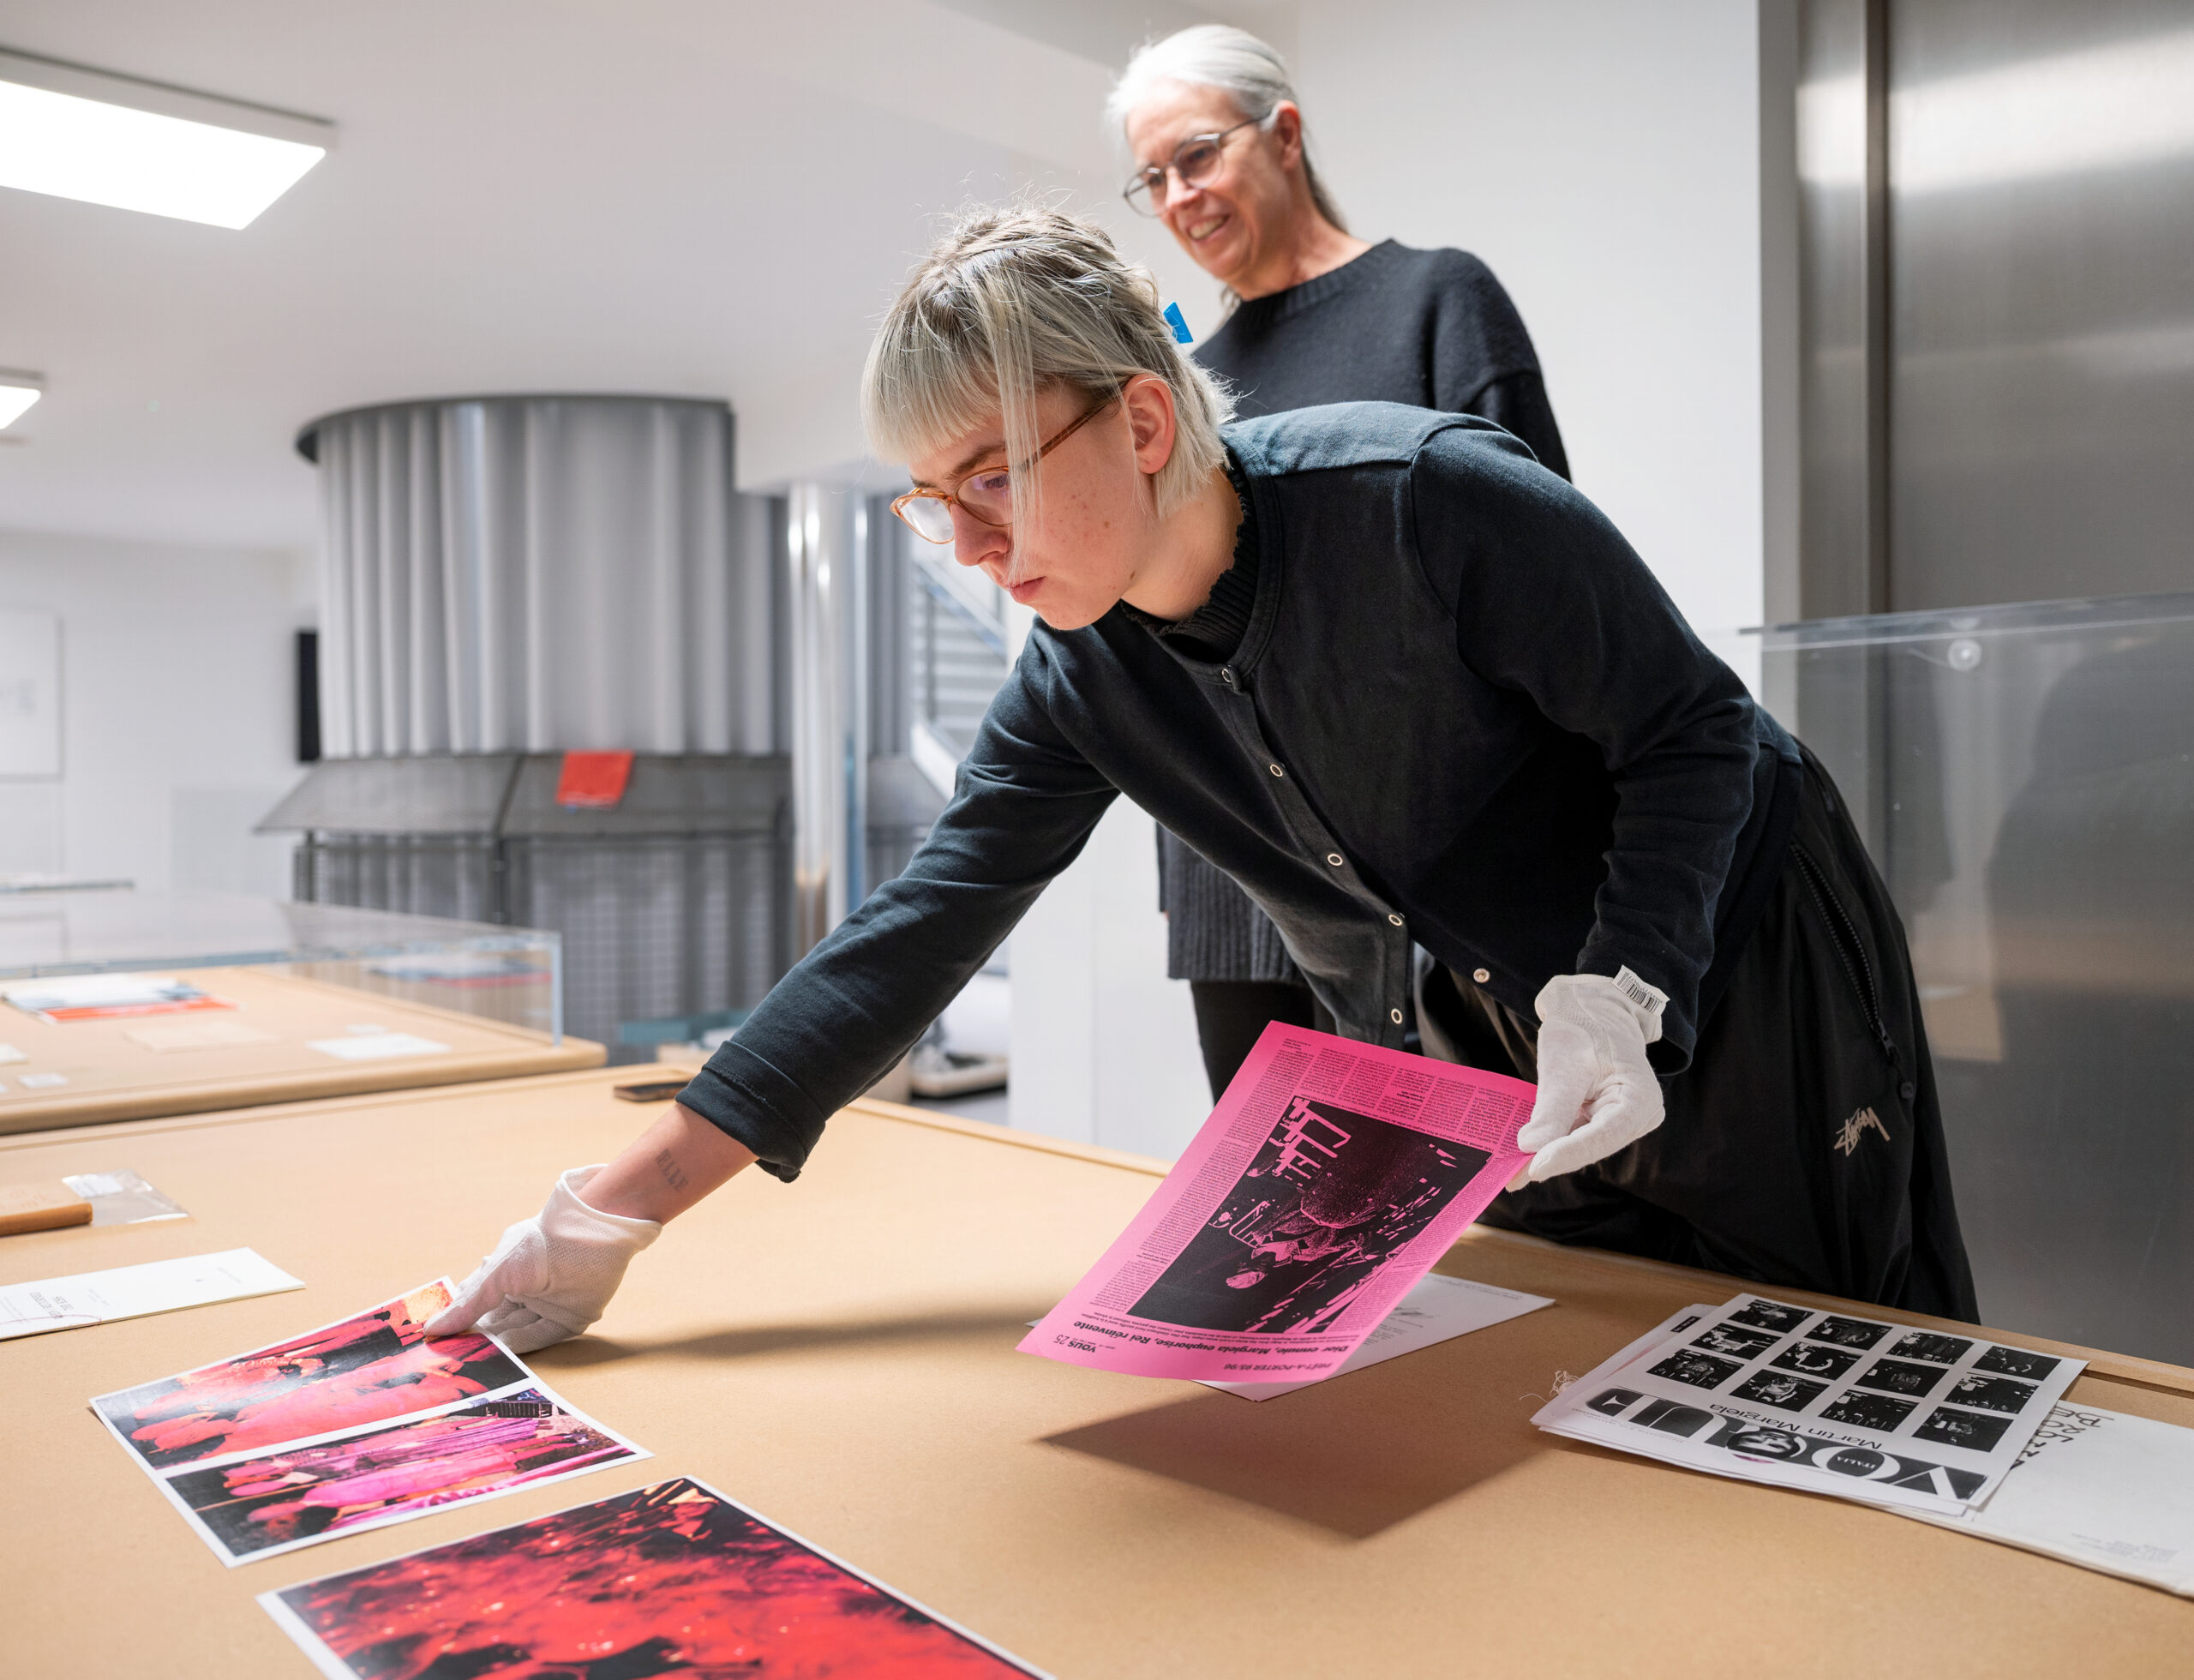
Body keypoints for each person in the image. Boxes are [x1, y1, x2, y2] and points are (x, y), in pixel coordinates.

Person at [427, 204, 1976, 1357]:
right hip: (1503, 1008)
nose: (971, 545)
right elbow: (914, 930)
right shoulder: (1080, 679)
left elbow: (1696, 732)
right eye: (934, 501)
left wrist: (1626, 986)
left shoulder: (1422, 499)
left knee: (1833, 1335)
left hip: (1737, 943)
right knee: (1589, 1339)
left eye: (994, 479)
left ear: (1145, 417)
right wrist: (611, 1208)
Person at [1108, 26, 1573, 1099]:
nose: (1178, 196)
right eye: (1152, 178)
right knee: (1279, 1192)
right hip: (1236, 880)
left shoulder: (1437, 301)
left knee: (1476, 1183)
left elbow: (1546, 588)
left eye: (1196, 155)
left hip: (1431, 867)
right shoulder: (1184, 388)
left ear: (1284, 134)